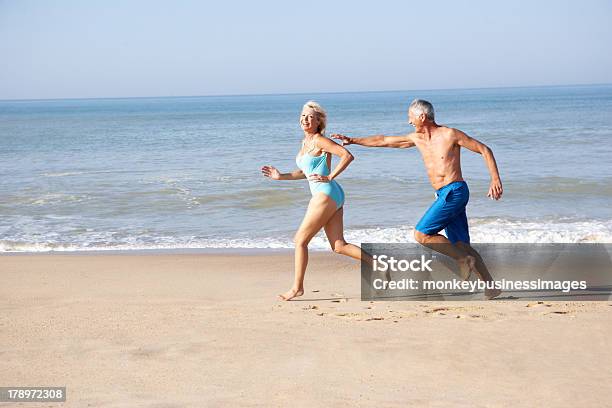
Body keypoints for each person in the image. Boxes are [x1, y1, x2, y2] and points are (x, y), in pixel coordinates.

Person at [333, 99, 503, 299]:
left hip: (455, 190)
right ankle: (490, 285)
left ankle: (463, 260)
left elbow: (484, 149)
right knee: (462, 245)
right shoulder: (417, 138)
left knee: (422, 234)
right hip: (444, 194)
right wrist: (353, 140)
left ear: (422, 116)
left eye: (410, 117)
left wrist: (495, 179)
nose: (409, 121)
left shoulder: (450, 134)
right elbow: (383, 140)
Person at [261, 101, 372, 301]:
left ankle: (297, 288)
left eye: (311, 116)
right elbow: (305, 173)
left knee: (300, 241)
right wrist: (281, 176)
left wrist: (330, 177)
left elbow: (347, 155)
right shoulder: (305, 143)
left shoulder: (320, 140)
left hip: (325, 193)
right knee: (339, 246)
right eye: (303, 116)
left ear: (318, 121)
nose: (306, 119)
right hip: (332, 195)